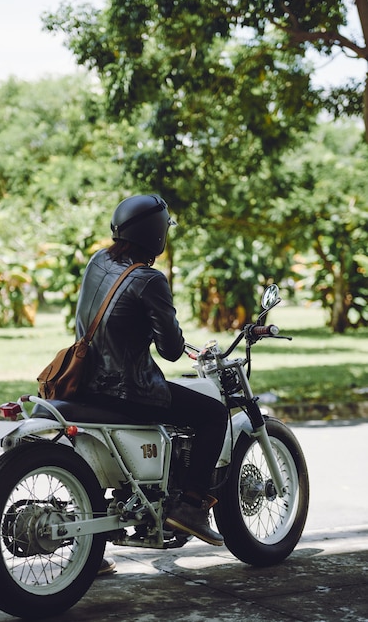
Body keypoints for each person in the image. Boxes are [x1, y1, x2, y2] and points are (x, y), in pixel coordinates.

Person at [75, 194, 228, 547]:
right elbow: (171, 351)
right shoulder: (149, 280)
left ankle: (92, 548)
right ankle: (190, 506)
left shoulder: (97, 260)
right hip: (128, 390)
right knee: (213, 414)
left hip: (84, 382)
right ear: (157, 235)